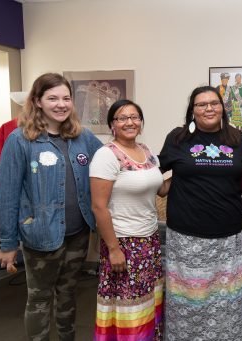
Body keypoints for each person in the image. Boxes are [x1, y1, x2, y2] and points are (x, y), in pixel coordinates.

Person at [0, 73, 102, 341]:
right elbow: (7, 194)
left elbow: (111, 162)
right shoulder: (20, 140)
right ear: (37, 101)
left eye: (66, 98)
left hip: (78, 234)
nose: (61, 104)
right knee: (40, 299)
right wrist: (7, 244)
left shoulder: (83, 138)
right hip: (41, 235)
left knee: (68, 295)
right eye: (52, 98)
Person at [159, 85, 242, 340]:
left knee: (224, 303)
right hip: (187, 238)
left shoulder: (237, 139)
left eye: (214, 103)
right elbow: (153, 173)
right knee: (189, 302)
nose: (209, 108)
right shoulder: (177, 139)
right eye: (201, 104)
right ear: (192, 110)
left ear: (223, 107)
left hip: (227, 238)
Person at [90, 99, 170, 340]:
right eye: (122, 118)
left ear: (141, 123)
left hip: (149, 240)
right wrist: (114, 249)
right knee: (128, 307)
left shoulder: (147, 152)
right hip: (124, 243)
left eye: (135, 117)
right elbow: (98, 206)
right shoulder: (106, 155)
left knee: (146, 302)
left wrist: (188, 171)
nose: (130, 122)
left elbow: (160, 190)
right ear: (112, 124)